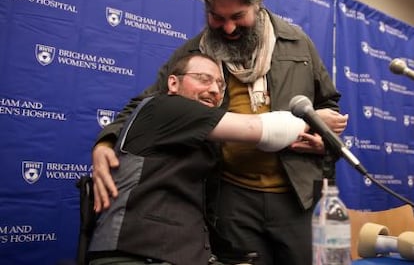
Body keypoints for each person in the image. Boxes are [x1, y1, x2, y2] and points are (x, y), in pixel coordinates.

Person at [91, 0, 348, 265]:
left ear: (257, 3)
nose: (227, 28)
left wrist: (324, 141)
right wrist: (105, 141)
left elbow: (328, 107)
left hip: (296, 197)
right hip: (231, 199)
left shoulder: (298, 44)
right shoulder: (193, 54)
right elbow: (144, 106)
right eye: (217, 17)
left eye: (238, 16)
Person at [87, 52, 319, 265]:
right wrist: (313, 120)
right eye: (203, 79)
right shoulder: (165, 108)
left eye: (220, 85)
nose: (215, 90)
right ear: (173, 83)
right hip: (133, 256)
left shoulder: (201, 136)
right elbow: (258, 128)